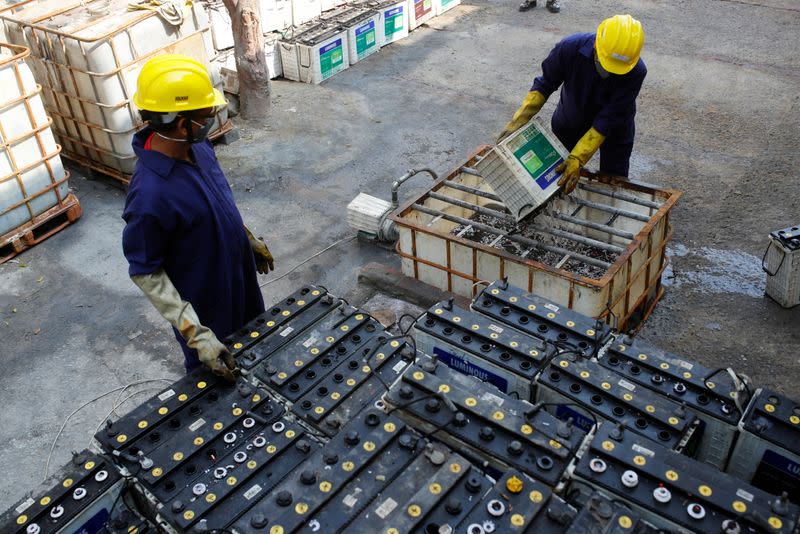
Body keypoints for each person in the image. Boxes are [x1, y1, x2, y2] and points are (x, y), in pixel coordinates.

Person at [122, 54, 275, 381]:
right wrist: (196, 333)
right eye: (206, 115)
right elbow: (145, 271)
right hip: (207, 305)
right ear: (180, 123)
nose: (211, 120)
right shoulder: (149, 195)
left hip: (239, 278)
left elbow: (216, 200)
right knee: (217, 379)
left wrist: (246, 237)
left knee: (258, 350)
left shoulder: (198, 147)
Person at [498, 14, 646, 194]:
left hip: (615, 129)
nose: (609, 70)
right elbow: (544, 85)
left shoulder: (636, 71)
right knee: (556, 177)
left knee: (613, 183)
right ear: (596, 44)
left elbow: (608, 119)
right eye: (607, 63)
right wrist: (518, 121)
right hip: (571, 120)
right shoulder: (569, 49)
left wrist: (578, 157)